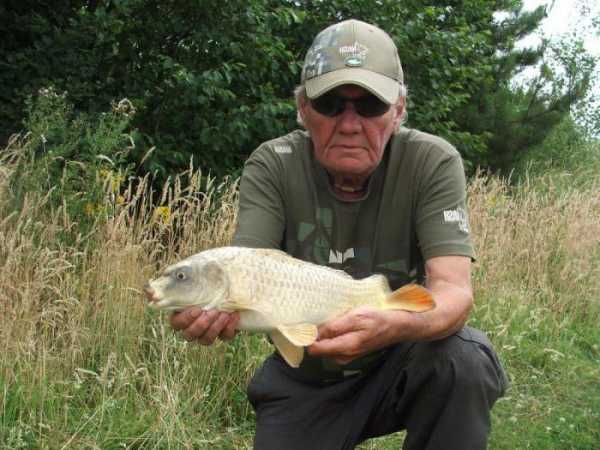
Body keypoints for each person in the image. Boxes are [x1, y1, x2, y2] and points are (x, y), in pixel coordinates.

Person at [171, 19, 508, 450]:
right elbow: (245, 269)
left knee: (464, 360)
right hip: (306, 374)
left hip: (400, 356)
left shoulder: (432, 161)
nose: (349, 124)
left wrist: (393, 326)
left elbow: (454, 291)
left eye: (370, 105)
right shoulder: (273, 163)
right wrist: (208, 309)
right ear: (303, 109)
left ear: (398, 111)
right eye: (330, 104)